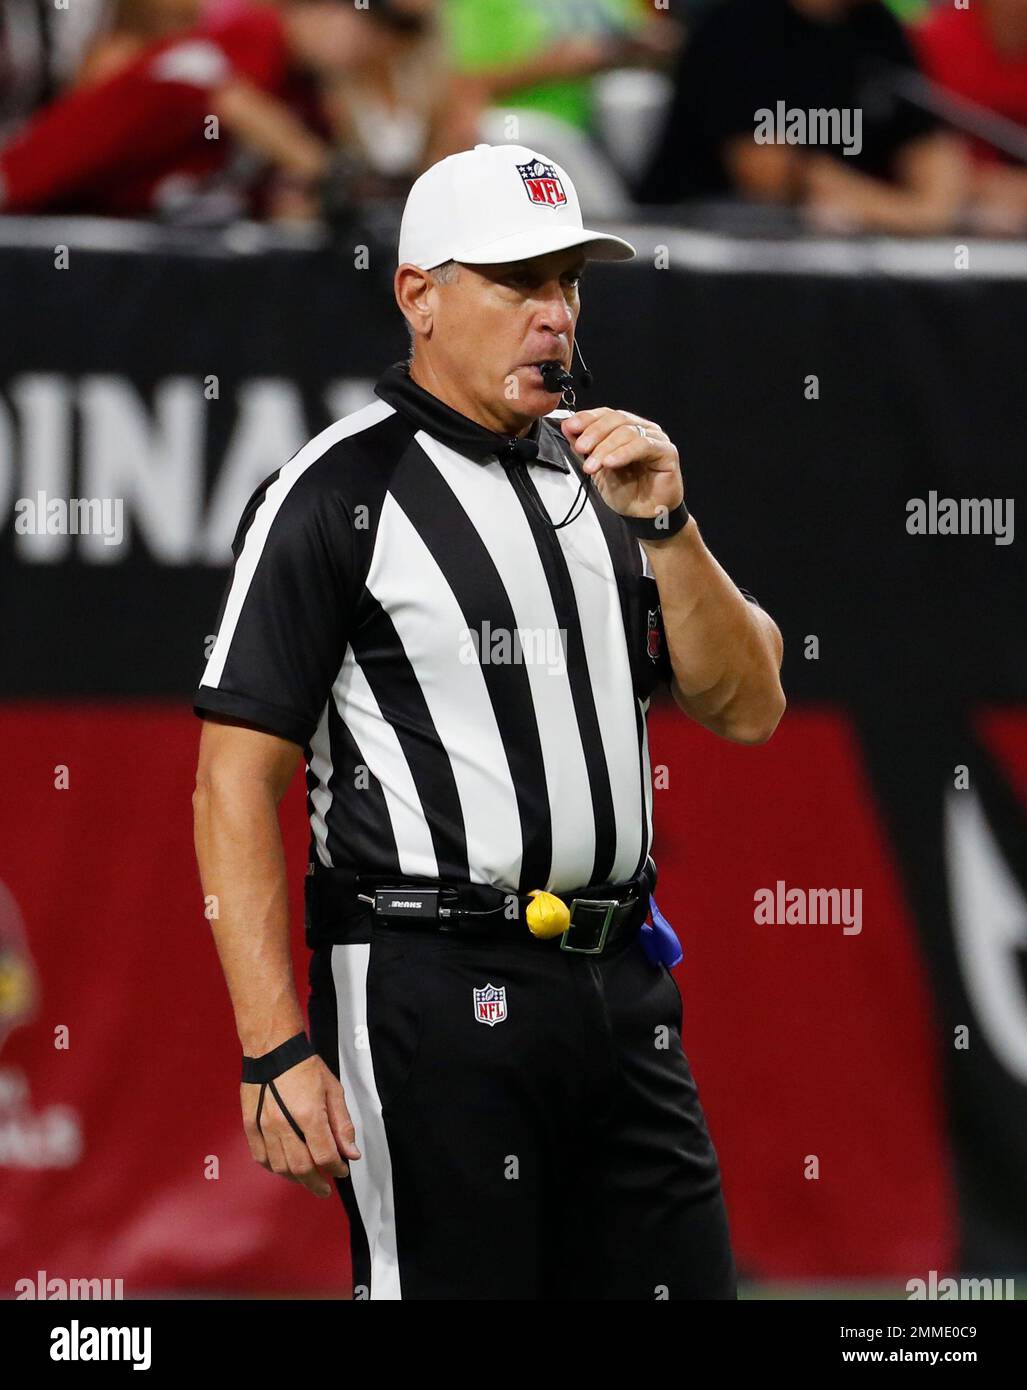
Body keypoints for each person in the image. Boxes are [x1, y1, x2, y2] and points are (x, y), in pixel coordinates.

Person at [192, 141, 786, 1299]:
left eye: (567, 283)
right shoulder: (335, 492)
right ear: (419, 294)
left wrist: (668, 526)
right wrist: (273, 1047)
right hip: (428, 983)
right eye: (518, 283)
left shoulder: (608, 477)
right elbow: (229, 784)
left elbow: (748, 704)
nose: (554, 315)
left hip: (617, 987)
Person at [635, 0, 968, 235]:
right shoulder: (737, 26)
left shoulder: (879, 29)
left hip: (850, 253)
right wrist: (909, 213)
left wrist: (921, 211)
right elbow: (767, 175)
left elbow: (931, 153)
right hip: (706, 244)